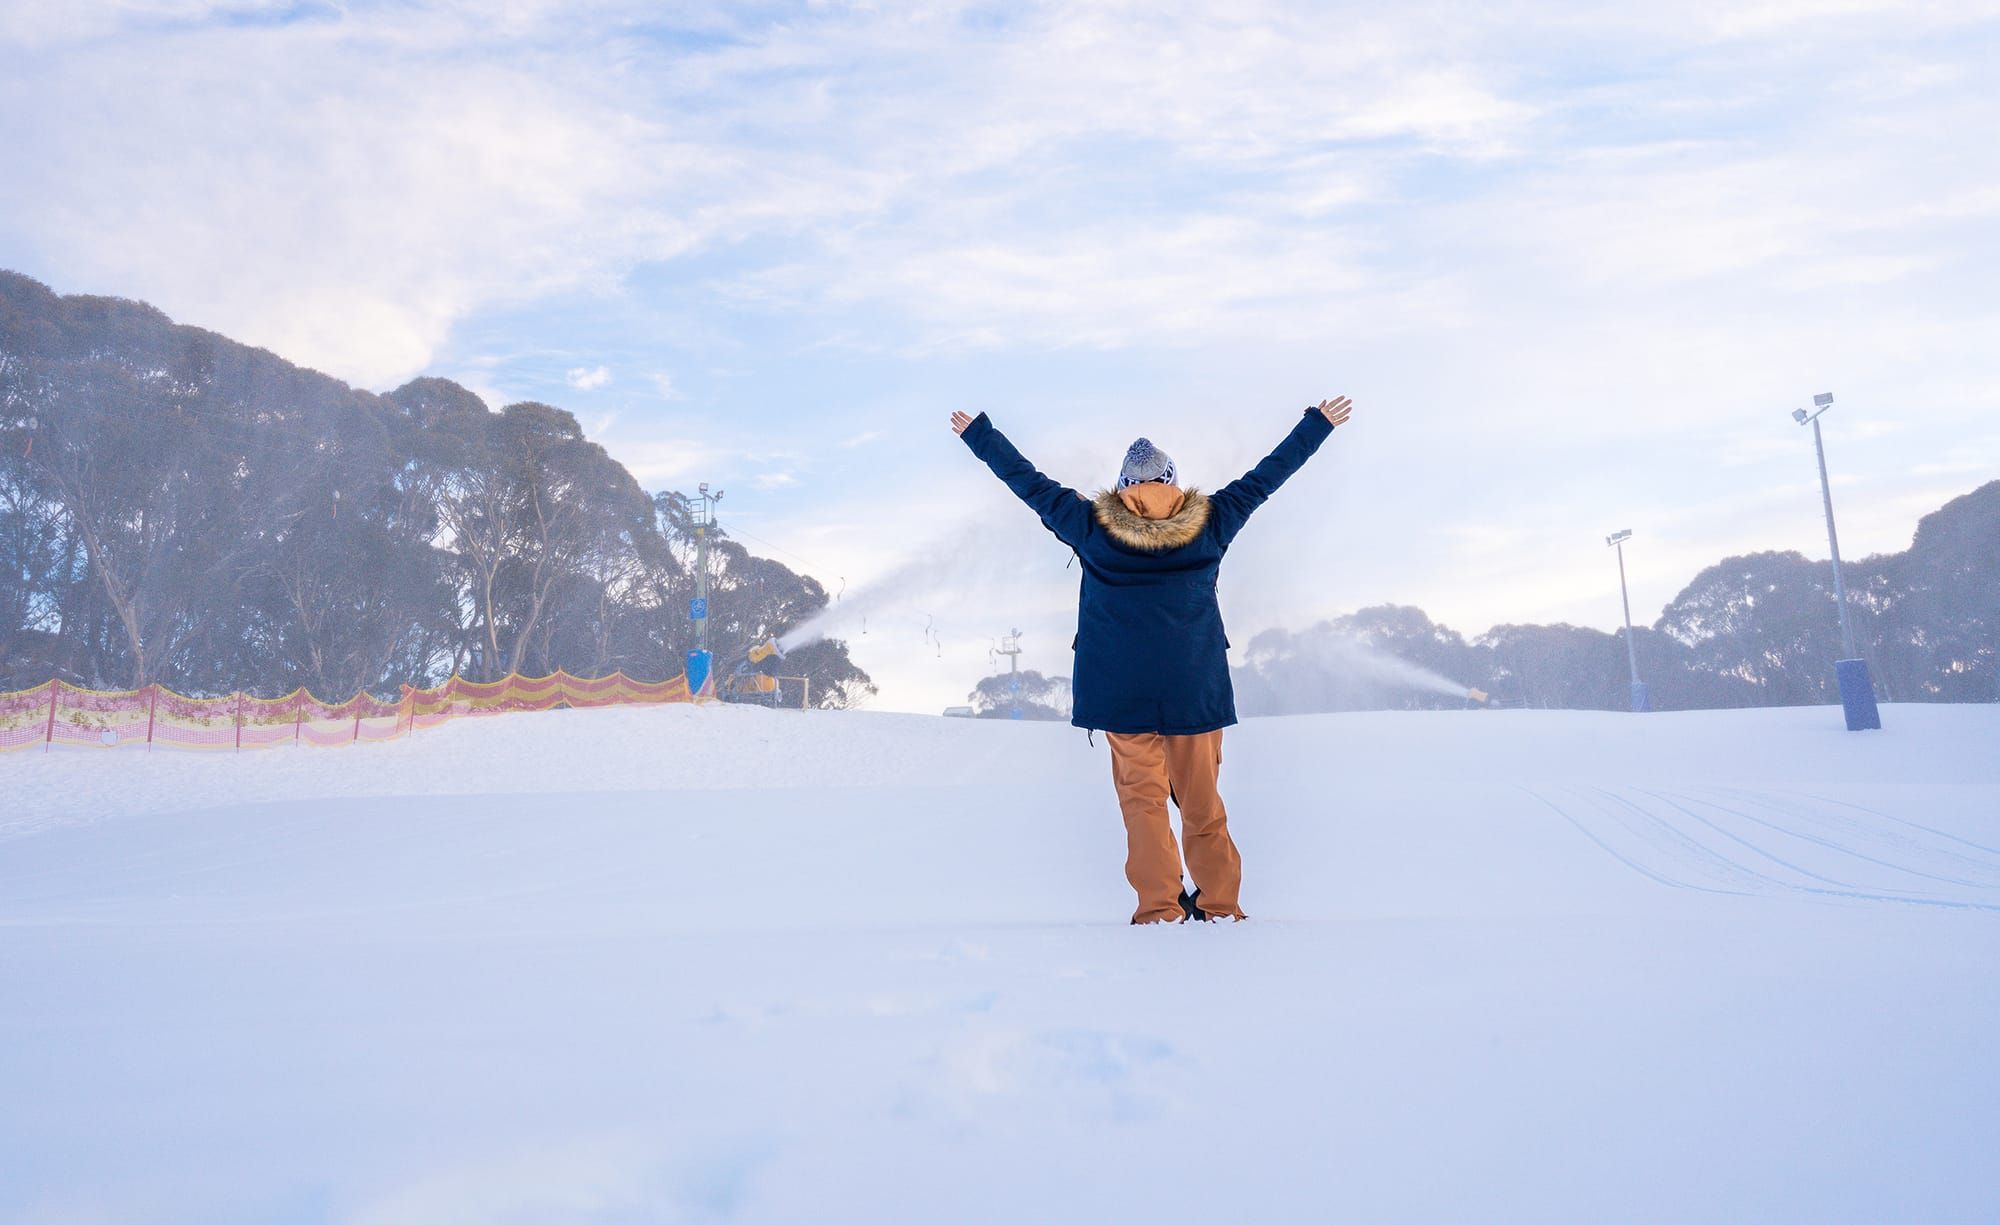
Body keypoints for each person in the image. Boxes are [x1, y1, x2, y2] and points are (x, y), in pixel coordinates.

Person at [951, 396, 1353, 924]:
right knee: (1203, 806)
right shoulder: (1212, 519)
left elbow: (1027, 481)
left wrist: (979, 434)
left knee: (1143, 806)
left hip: (1121, 694)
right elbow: (1266, 477)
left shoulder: (1089, 524)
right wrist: (1317, 425)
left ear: (1120, 487)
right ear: (1173, 480)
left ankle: (1160, 909)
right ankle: (1219, 907)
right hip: (1194, 691)